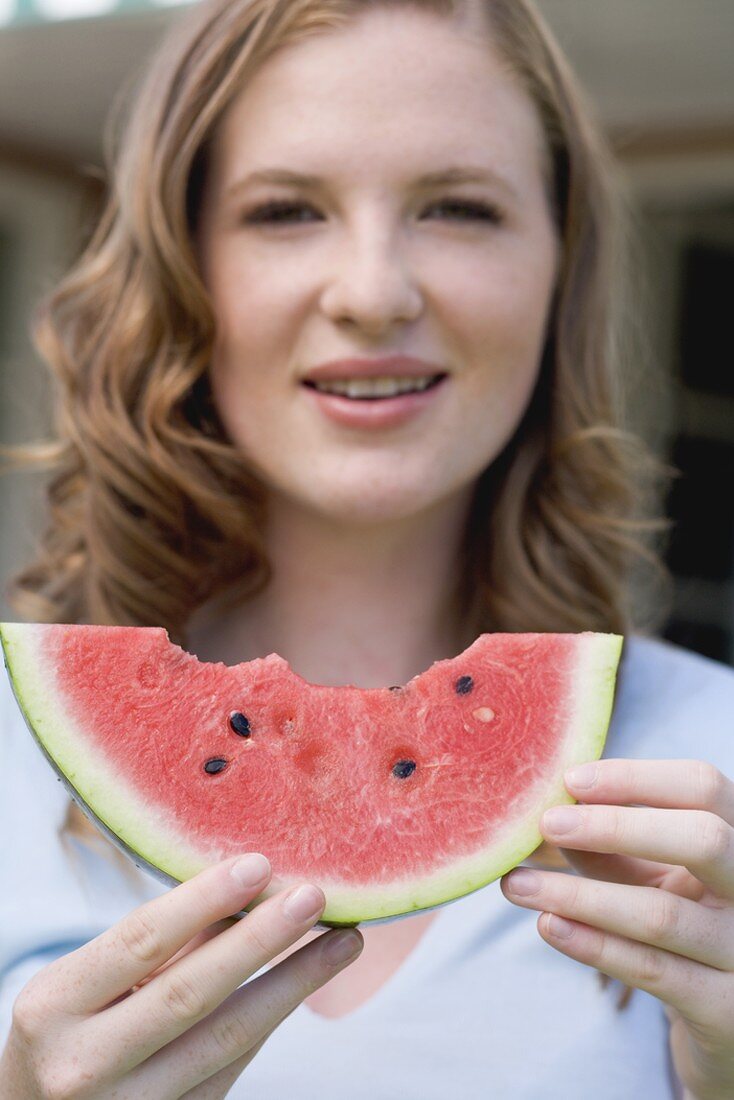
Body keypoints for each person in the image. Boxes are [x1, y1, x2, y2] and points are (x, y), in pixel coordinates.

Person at [1, 0, 733, 1096]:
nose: (373, 292)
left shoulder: (712, 766)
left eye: (456, 207)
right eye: (286, 210)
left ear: (557, 267)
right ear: (183, 266)